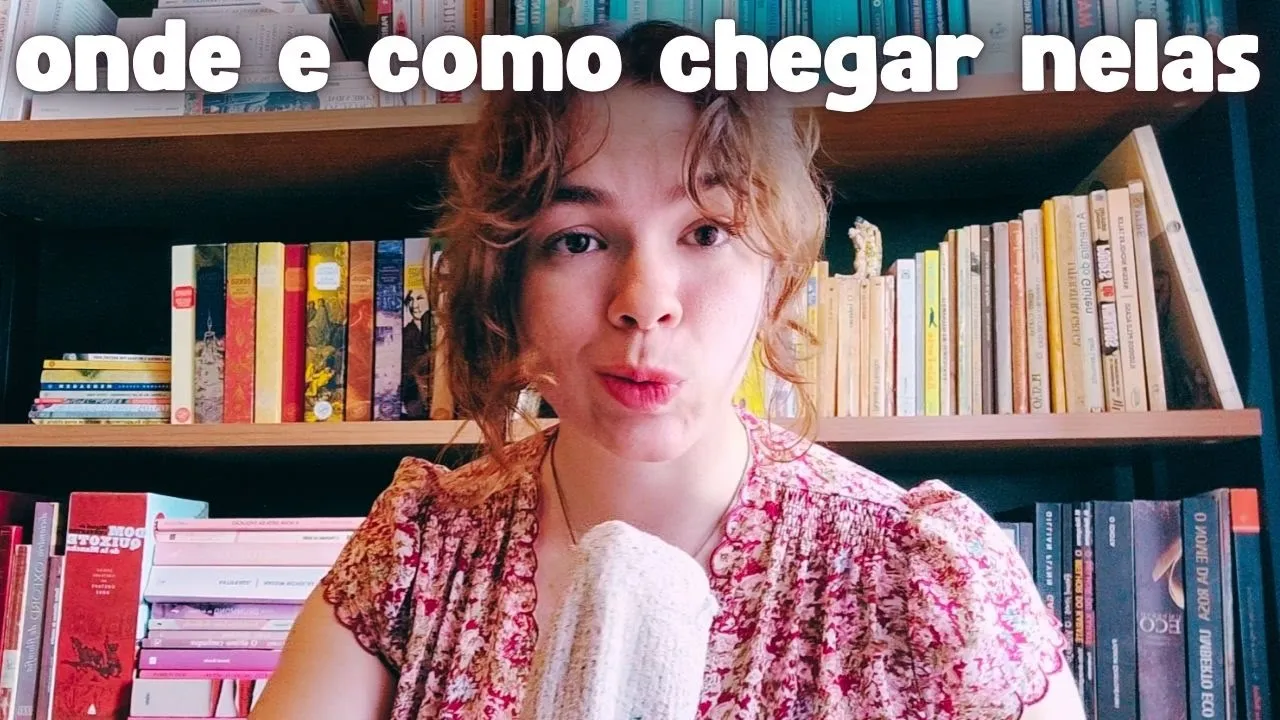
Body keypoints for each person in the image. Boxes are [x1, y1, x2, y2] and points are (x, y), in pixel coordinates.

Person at [248, 19, 1084, 720]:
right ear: (510, 283)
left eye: (706, 233)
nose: (644, 302)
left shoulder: (921, 573)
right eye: (578, 240)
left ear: (775, 276)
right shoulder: (419, 551)